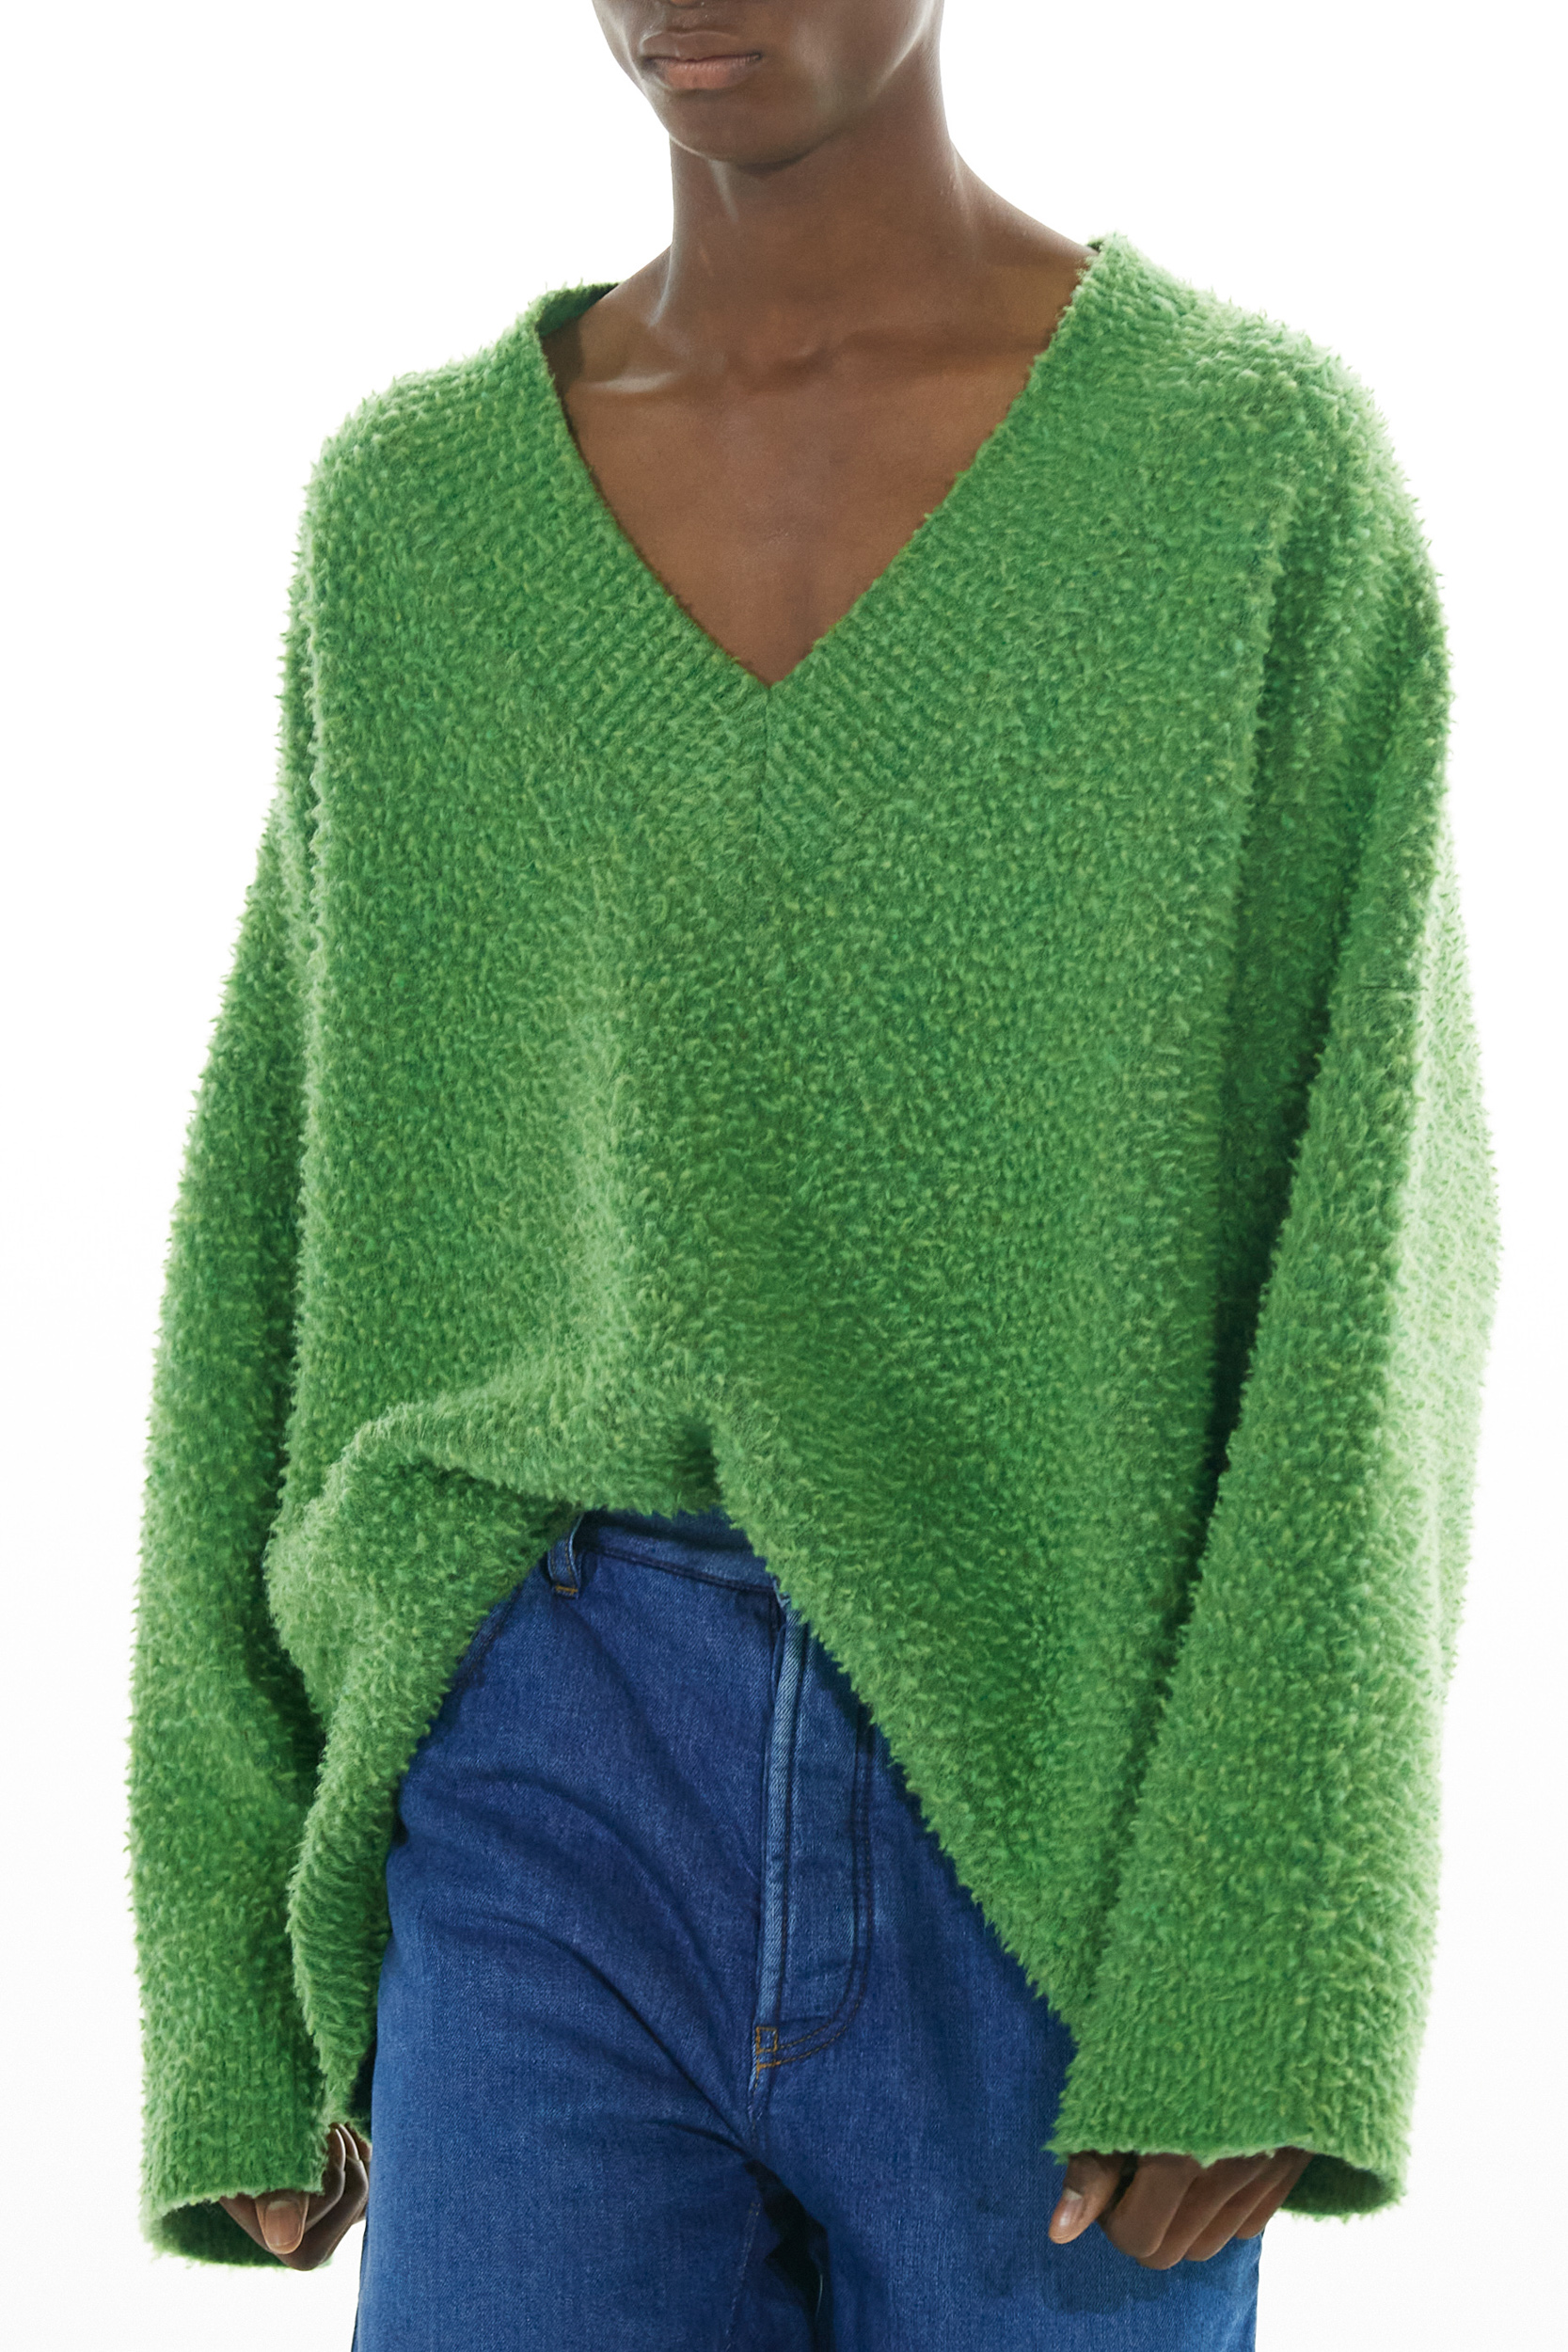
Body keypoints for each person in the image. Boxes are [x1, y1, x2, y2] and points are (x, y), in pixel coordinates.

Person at [128, 1, 1499, 2345]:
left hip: (1057, 1789)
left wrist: (1274, 1947)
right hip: (533, 1764)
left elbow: (1376, 1249)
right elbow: (271, 1220)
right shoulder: (418, 522)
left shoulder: (1246, 475)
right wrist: (229, 1961)